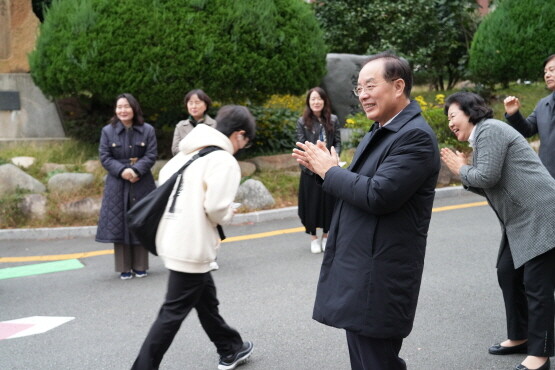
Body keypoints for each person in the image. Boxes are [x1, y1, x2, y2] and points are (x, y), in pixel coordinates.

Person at [293, 51, 440, 370]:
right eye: (358, 88)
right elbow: (360, 186)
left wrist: (330, 172)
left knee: (377, 361)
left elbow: (378, 194)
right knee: (365, 359)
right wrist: (323, 171)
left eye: (370, 85)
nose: (363, 95)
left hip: (379, 273)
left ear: (398, 86)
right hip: (362, 268)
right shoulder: (383, 129)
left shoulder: (414, 136)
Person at [132, 105, 255, 370]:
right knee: (172, 314)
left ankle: (230, 347)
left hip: (171, 237)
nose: (243, 146)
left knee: (205, 300)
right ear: (239, 134)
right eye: (246, 141)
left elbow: (164, 178)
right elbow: (215, 208)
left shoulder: (191, 151)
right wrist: (229, 212)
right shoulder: (223, 160)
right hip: (192, 246)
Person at [440, 92, 555, 370]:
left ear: (470, 112)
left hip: (540, 214)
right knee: (508, 272)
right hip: (519, 220)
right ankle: (520, 336)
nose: (450, 123)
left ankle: (540, 354)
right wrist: (466, 170)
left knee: (537, 285)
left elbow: (486, 177)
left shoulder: (489, 129)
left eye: (453, 115)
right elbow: (488, 184)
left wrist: (461, 169)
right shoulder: (482, 136)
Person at [96, 93, 157, 280]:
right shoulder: (108, 131)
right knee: (120, 223)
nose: (123, 110)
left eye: (126, 106)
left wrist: (137, 170)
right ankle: (123, 267)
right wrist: (123, 171)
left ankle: (140, 266)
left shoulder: (147, 130)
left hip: (142, 181)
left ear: (134, 108)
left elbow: (151, 154)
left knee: (140, 221)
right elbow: (105, 156)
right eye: (119, 107)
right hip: (117, 182)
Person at [296, 87, 341, 254]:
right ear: (309, 101)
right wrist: (312, 166)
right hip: (309, 172)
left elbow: (337, 143)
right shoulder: (302, 121)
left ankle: (327, 236)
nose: (316, 102)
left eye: (319, 99)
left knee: (329, 204)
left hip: (329, 171)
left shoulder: (333, 120)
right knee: (311, 205)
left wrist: (334, 159)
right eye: (313, 99)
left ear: (324, 101)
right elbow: (300, 145)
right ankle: (313, 237)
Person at [503, 54, 555, 178]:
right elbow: (528, 130)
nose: (547, 75)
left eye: (552, 70)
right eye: (545, 72)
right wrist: (514, 114)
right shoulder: (543, 104)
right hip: (548, 177)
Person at [171, 89, 217, 156]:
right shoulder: (180, 126)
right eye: (190, 103)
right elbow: (175, 150)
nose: (194, 106)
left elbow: (216, 149)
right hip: (187, 164)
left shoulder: (215, 125)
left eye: (197, 103)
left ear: (205, 106)